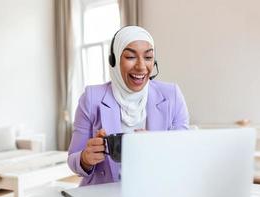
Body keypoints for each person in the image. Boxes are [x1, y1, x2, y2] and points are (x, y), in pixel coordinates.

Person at [67, 26, 189, 186]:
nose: (141, 66)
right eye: (131, 57)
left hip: (156, 189)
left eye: (148, 57)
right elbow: (73, 159)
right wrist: (85, 158)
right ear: (115, 60)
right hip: (103, 194)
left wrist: (157, 145)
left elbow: (185, 152)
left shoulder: (171, 95)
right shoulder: (91, 98)